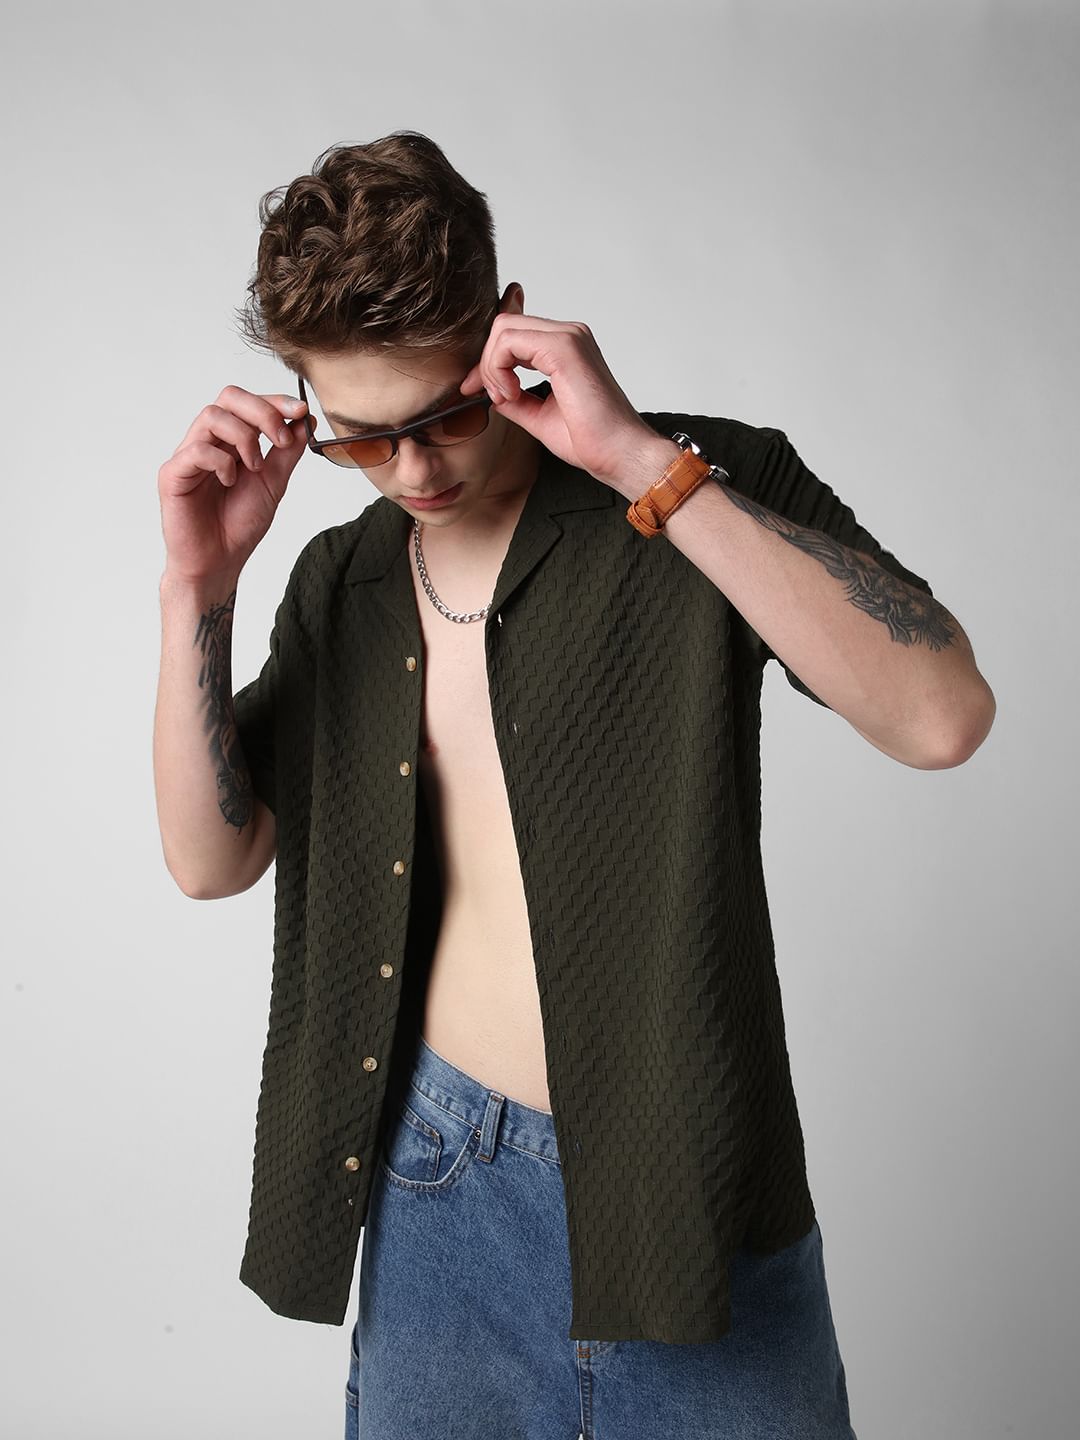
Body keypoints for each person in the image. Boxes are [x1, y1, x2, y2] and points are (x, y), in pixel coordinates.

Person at [153, 130, 995, 1440]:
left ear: (505, 325)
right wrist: (196, 589)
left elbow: (943, 718)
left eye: (445, 415)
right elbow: (211, 860)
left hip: (690, 1192)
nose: (416, 472)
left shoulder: (699, 482)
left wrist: (642, 464)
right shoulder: (343, 583)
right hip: (435, 1193)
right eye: (363, 443)